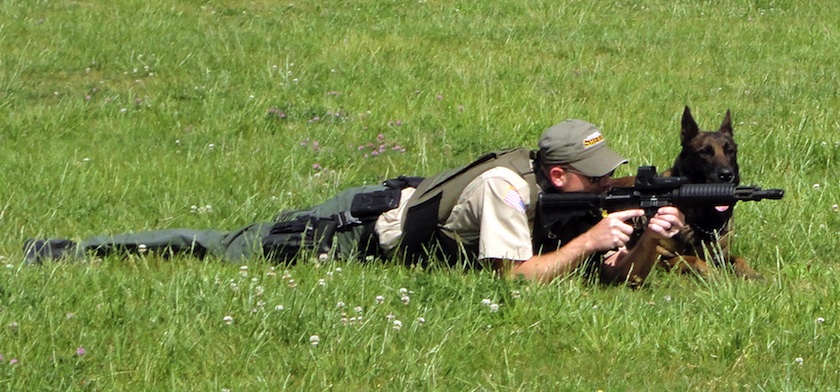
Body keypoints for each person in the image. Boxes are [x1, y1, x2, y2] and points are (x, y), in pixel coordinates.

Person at [24, 119, 683, 285]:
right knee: (224, 245)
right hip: (353, 230)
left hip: (410, 211)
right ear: (561, 177)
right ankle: (72, 252)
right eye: (597, 178)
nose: (608, 187)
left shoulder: (562, 197)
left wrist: (651, 239)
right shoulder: (509, 189)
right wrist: (589, 242)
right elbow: (512, 279)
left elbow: (615, 278)